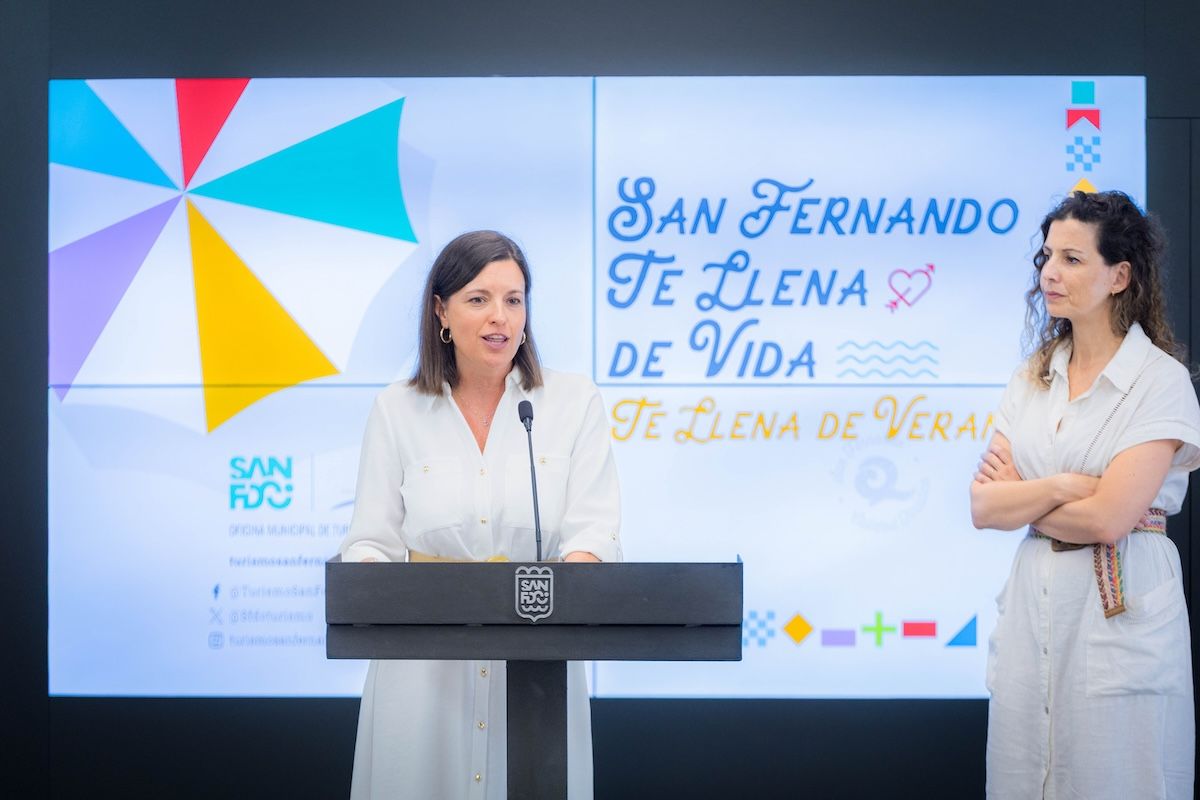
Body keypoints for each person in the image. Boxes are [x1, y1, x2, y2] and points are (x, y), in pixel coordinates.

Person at [339, 230, 622, 800]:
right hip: (423, 668)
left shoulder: (572, 402)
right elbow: (371, 541)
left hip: (538, 663)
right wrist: (370, 583)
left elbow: (594, 528)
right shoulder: (398, 409)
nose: (501, 317)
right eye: (479, 299)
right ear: (440, 310)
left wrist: (571, 583)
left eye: (514, 299)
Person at [970, 190, 1200, 798]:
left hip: (1118, 601)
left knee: (1118, 777)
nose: (1050, 272)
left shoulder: (1159, 380)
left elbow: (1110, 518)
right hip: (1032, 604)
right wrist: (1064, 486)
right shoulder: (1033, 373)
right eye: (1047, 256)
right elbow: (983, 507)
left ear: (1119, 275)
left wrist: (1030, 495)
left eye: (1072, 259)